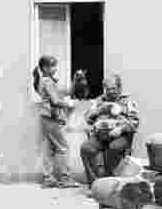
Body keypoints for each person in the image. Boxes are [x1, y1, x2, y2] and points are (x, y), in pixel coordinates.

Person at [80, 74, 140, 185]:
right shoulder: (99, 101)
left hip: (120, 136)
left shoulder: (127, 102)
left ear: (119, 88)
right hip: (100, 136)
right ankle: (95, 184)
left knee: (114, 147)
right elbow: (88, 119)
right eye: (108, 89)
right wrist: (98, 111)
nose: (111, 91)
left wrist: (121, 129)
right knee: (86, 148)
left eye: (113, 88)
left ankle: (109, 180)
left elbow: (135, 123)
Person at [33, 55, 80, 189]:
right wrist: (68, 106)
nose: (54, 68)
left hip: (47, 118)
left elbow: (65, 92)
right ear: (44, 68)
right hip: (51, 118)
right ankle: (65, 178)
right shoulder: (48, 81)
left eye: (55, 65)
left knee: (49, 148)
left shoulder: (49, 81)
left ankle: (48, 178)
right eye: (51, 66)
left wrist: (75, 81)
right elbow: (55, 101)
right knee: (63, 147)